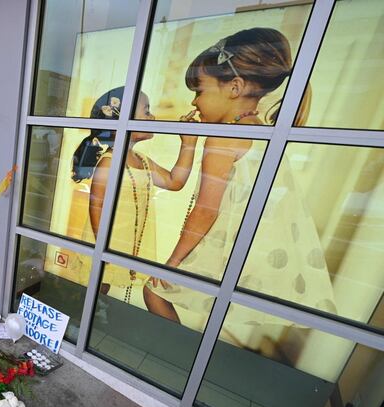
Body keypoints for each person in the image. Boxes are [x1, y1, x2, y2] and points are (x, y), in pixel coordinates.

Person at [144, 28, 335, 325]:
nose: (194, 103)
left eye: (199, 91)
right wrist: (189, 144)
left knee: (154, 290)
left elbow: (206, 209)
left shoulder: (223, 139)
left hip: (226, 246)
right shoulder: (261, 130)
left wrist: (172, 263)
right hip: (255, 250)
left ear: (234, 87)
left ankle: (173, 357)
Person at [72, 87, 196, 298]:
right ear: (124, 119)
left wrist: (188, 144)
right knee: (96, 288)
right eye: (146, 111)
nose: (153, 116)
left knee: (102, 290)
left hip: (123, 244)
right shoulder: (109, 164)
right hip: (107, 245)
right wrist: (103, 249)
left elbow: (175, 182)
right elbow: (97, 205)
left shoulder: (142, 161)